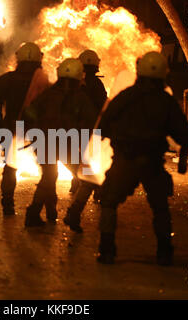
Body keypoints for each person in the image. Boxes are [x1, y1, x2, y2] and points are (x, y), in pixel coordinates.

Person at [96, 51, 188, 265]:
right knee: (160, 207)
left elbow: (102, 127)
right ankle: (165, 252)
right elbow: (184, 134)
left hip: (125, 161)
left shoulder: (125, 97)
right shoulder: (166, 101)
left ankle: (107, 250)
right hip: (152, 163)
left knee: (109, 202)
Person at [23, 58, 99, 227]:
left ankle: (38, 213)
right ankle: (73, 213)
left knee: (49, 177)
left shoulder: (48, 94)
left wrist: (35, 133)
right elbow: (91, 123)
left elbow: (29, 114)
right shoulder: (81, 98)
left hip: (44, 143)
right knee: (87, 177)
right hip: (67, 145)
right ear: (80, 76)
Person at [0, 42, 47, 216]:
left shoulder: (7, 80)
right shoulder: (43, 82)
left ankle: (8, 204)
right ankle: (42, 209)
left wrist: (1, 128)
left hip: (12, 128)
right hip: (38, 130)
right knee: (48, 170)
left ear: (18, 58)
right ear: (39, 59)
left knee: (11, 167)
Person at [63, 49, 108, 233]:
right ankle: (94, 191)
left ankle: (77, 182)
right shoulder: (97, 84)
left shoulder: (73, 85)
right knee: (90, 166)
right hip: (91, 132)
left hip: (72, 131)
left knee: (75, 161)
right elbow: (103, 107)